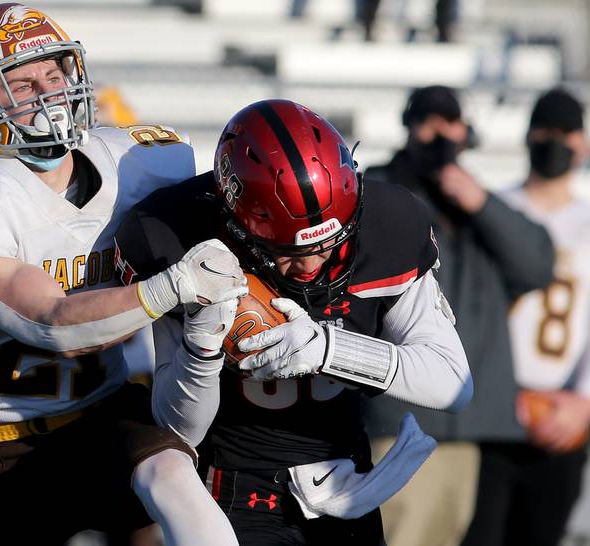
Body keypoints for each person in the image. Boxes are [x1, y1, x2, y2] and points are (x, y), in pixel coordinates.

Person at [0, 3, 244, 545]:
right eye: (22, 83)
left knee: (171, 469)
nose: (47, 93)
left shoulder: (138, 164)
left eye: (54, 75)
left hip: (109, 417)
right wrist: (172, 287)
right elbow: (51, 321)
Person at [114, 98, 473, 545]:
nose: (312, 265)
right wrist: (201, 347)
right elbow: (179, 429)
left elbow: (453, 383)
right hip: (232, 487)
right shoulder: (180, 236)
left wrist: (327, 350)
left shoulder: (389, 223)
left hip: (345, 480)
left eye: (329, 244)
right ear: (235, 222)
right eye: (287, 250)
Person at [362, 85, 555, 546]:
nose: (439, 135)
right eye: (428, 122)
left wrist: (481, 204)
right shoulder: (379, 189)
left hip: (464, 424)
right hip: (398, 417)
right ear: (408, 127)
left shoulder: (474, 205)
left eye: (450, 123)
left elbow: (537, 266)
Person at [461, 88, 590, 546]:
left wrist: (583, 402)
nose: (555, 141)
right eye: (546, 131)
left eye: (566, 132)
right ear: (527, 136)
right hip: (491, 413)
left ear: (584, 142)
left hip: (564, 415)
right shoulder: (496, 210)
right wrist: (495, 392)